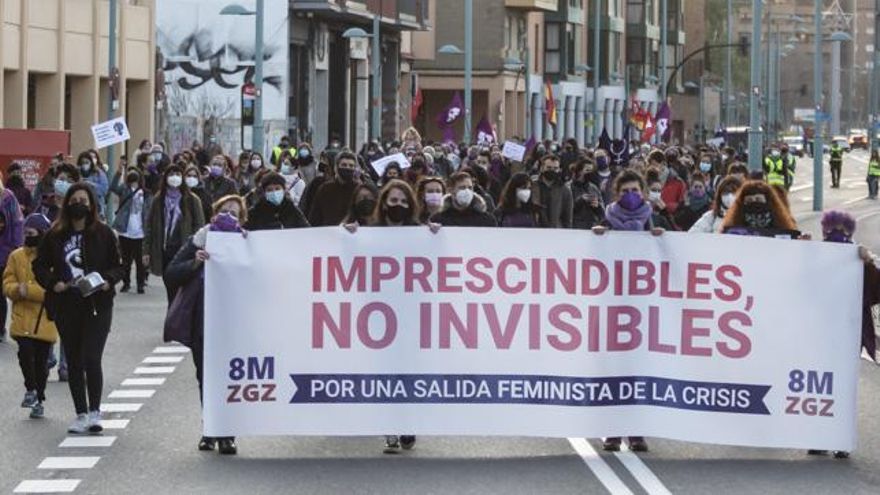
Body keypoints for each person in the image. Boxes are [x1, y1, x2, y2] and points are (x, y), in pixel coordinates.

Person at [343, 180, 438, 453]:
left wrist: (435, 236)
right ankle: (389, 429)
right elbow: (348, 261)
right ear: (384, 203)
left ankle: (408, 423)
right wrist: (348, 237)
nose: (398, 206)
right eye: (393, 201)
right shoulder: (369, 233)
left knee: (408, 373)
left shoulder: (420, 233)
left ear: (411, 205)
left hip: (412, 315)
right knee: (384, 373)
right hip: (377, 316)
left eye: (403, 202)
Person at [32, 183, 124, 434]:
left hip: (97, 304)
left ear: (92, 204)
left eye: (84, 200)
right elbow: (39, 265)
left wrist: (108, 281)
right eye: (75, 199)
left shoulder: (103, 233)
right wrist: (53, 283)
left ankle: (95, 411)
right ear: (66, 204)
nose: (79, 204)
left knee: (91, 357)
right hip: (67, 304)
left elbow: (118, 266)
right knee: (73, 360)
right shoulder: (55, 235)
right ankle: (80, 413)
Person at [165, 195, 246, 455]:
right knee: (206, 377)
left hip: (233, 322)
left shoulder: (248, 243)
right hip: (203, 319)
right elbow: (171, 272)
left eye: (235, 213)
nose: (229, 216)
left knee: (228, 378)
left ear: (242, 219)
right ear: (214, 215)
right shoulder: (200, 240)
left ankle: (227, 435)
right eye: (225, 211)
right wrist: (195, 261)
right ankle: (210, 429)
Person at [591, 169, 662, 453]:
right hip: (612, 304)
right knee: (612, 369)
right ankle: (612, 430)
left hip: (642, 308)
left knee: (638, 371)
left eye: (635, 190)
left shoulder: (654, 219)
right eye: (624, 191)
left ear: (643, 192)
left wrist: (661, 238)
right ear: (616, 194)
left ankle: (636, 431)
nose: (630, 196)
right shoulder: (605, 219)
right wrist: (596, 236)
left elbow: (675, 253)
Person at [806, 210, 879, 460]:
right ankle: (819, 437)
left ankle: (839, 438)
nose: (836, 236)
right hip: (819, 332)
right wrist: (800, 251)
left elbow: (876, 291)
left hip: (848, 333)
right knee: (818, 387)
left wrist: (868, 262)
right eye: (831, 231)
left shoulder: (860, 258)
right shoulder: (815, 255)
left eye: (842, 231)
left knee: (843, 387)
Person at [4, 213, 58, 419]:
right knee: (24, 354)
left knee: (41, 361)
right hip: (21, 318)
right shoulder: (16, 256)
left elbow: (53, 288)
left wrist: (30, 291)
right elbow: (7, 282)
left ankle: (40, 397)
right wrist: (17, 290)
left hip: (44, 319)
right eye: (25, 233)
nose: (28, 237)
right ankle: (31, 389)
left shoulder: (52, 257)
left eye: (32, 233)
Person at [143, 165, 206, 303]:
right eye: (171, 174)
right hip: (164, 250)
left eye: (177, 174)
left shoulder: (192, 199)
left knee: (180, 287)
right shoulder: (158, 199)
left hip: (183, 251)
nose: (174, 177)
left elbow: (199, 226)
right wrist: (146, 250)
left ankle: (176, 315)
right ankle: (173, 313)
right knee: (170, 285)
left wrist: (195, 247)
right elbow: (149, 227)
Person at [110, 167, 150, 293]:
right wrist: (118, 172)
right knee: (126, 260)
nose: (134, 181)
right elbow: (113, 187)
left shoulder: (146, 193)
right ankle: (126, 283)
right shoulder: (124, 190)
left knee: (140, 261)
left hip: (140, 232)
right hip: (125, 230)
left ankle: (140, 284)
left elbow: (149, 211)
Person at [720, 181, 798, 235]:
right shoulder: (732, 232)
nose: (754, 203)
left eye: (758, 199)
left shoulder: (783, 229)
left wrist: (803, 243)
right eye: (749, 201)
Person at [0, 175, 25, 342]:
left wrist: (15, 249)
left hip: (3, 252)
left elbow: (17, 224)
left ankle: (0, 328)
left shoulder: (8, 198)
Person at [307, 151, 362, 226]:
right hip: (328, 234)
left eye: (351, 166)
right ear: (336, 167)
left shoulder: (359, 189)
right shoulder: (325, 189)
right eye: (344, 165)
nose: (347, 168)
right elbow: (314, 217)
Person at [245, 173, 310, 231]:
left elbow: (306, 230)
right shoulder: (255, 212)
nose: (274, 192)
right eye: (269, 190)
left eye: (277, 189)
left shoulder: (292, 209)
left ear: (284, 190)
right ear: (264, 193)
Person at [431, 172, 497, 227]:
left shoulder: (487, 220)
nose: (467, 191)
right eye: (462, 188)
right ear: (451, 191)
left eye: (470, 188)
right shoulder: (438, 219)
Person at [531, 155, 573, 228]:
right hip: (535, 229)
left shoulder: (564, 190)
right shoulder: (533, 186)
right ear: (542, 168)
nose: (552, 170)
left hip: (556, 231)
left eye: (555, 168)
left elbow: (567, 216)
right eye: (549, 168)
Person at [569, 158, 605, 230]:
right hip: (575, 228)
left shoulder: (593, 187)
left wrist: (597, 206)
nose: (590, 173)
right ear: (579, 171)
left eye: (592, 171)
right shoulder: (569, 187)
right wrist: (581, 200)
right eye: (587, 170)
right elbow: (566, 210)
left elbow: (602, 212)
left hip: (591, 227)